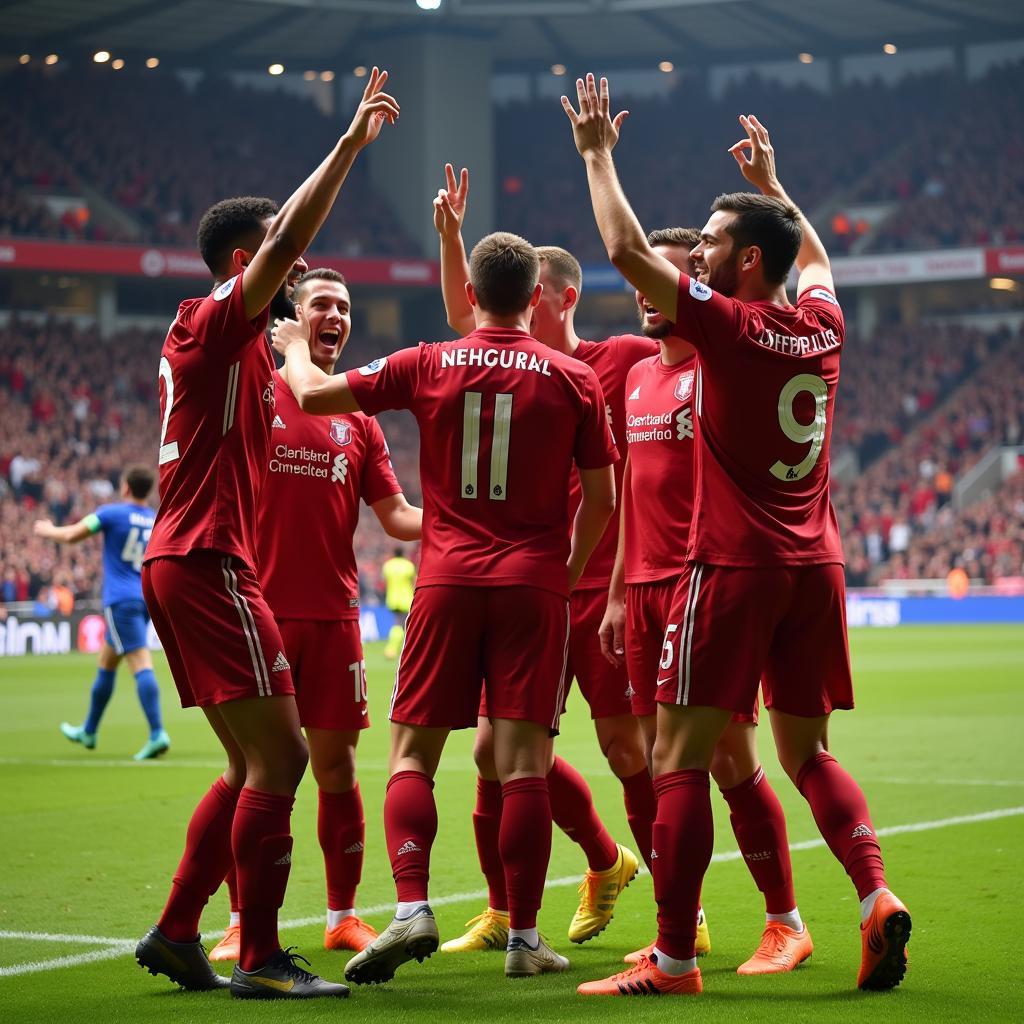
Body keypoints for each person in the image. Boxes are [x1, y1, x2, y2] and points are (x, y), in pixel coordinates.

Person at [564, 78, 910, 996]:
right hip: (817, 565)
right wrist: (779, 185)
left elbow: (625, 249)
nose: (703, 253)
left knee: (676, 759)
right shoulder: (820, 327)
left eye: (715, 243)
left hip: (735, 568)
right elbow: (822, 267)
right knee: (806, 755)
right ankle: (875, 894)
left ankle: (674, 958)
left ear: (748, 263)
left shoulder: (730, 328)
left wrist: (598, 153)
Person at [273, 230, 617, 983]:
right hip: (534, 585)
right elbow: (603, 498)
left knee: (412, 756)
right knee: (525, 765)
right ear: (535, 297)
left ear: (469, 296)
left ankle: (409, 908)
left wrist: (296, 344)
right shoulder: (572, 378)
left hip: (447, 578)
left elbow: (312, 393)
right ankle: (526, 941)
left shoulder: (427, 361)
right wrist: (566, 569)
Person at [133, 67, 399, 1001]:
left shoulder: (241, 345)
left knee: (252, 761)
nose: (294, 301)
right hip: (208, 561)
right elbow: (289, 240)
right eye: (281, 278)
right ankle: (258, 960)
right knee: (285, 759)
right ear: (251, 262)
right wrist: (349, 148)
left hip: (185, 559)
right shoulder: (215, 321)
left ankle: (176, 932)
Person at [433, 165, 651, 952]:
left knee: (628, 748)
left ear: (556, 296)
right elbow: (466, 311)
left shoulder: (621, 358)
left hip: (597, 586)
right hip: (531, 588)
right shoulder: (506, 361)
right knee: (493, 752)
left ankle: (677, 913)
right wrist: (454, 236)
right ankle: (532, 897)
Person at [600, 226, 810, 974]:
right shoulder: (636, 376)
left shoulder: (722, 367)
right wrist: (621, 588)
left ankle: (783, 920)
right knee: (661, 761)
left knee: (729, 760)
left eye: (663, 276)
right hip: (647, 589)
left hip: (708, 583)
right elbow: (627, 486)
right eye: (639, 277)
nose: (643, 292)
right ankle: (679, 929)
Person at [206, 268, 422, 964]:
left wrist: (463, 513)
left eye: (346, 307)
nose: (338, 315)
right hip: (257, 609)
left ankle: (341, 915)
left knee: (337, 768)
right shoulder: (252, 394)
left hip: (333, 618)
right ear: (290, 319)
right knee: (253, 768)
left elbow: (394, 516)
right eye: (323, 304)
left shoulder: (357, 416)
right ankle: (241, 921)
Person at [34, 465, 169, 761]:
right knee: (107, 662)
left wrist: (48, 531)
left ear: (125, 487)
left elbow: (72, 536)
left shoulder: (112, 513)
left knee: (140, 662)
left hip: (121, 600)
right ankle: (90, 730)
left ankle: (157, 732)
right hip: (146, 598)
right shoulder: (158, 519)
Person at [382, 547, 416, 658]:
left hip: (392, 599)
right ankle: (392, 650)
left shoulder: (388, 565)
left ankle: (394, 649)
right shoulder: (408, 565)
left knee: (398, 623)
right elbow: (413, 582)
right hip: (406, 599)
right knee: (401, 625)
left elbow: (385, 581)